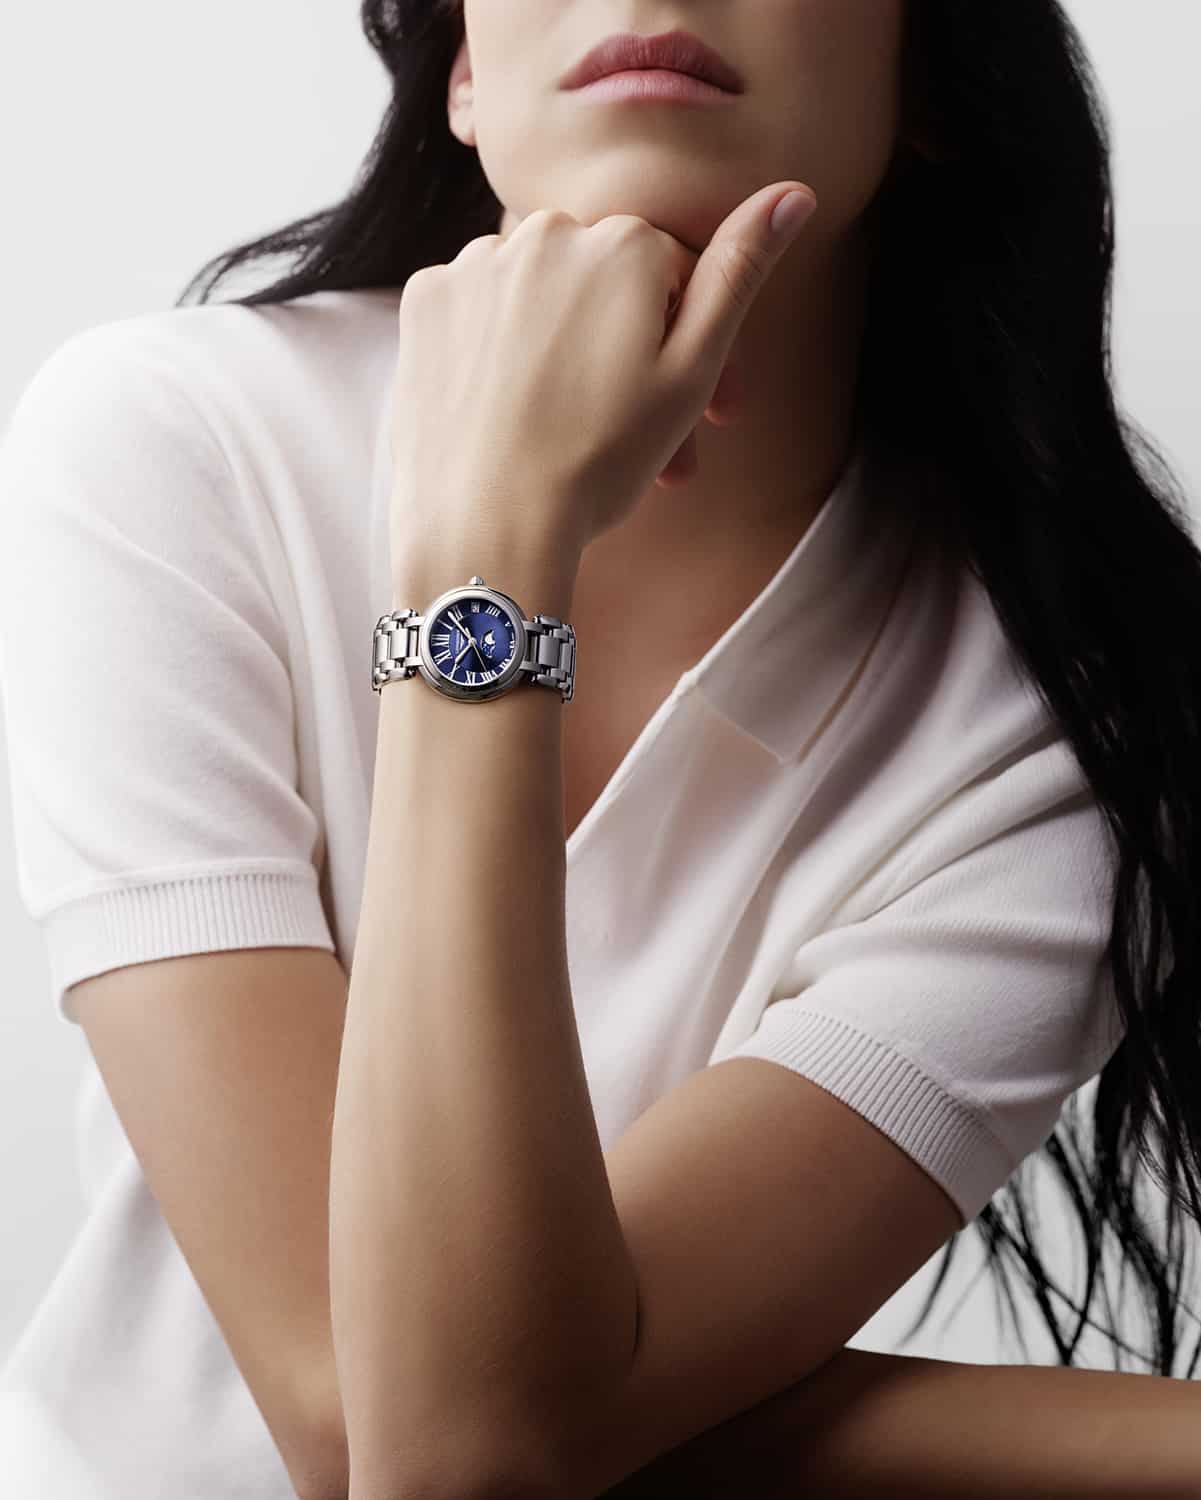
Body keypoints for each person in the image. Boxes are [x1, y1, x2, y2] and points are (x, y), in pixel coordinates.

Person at [1, 1, 1200, 1496]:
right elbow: (401, 1421)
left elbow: (441, 1445)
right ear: (464, 77)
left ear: (930, 88)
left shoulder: (1059, 746)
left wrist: (489, 560)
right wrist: (488, 545)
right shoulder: (177, 445)